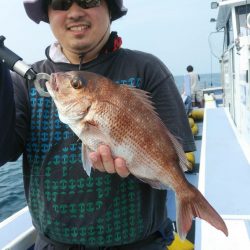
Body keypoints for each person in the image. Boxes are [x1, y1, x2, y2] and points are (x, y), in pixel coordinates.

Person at [0, 0, 196, 249]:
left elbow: (173, 153)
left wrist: (141, 162)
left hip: (141, 243)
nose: (75, 12)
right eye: (60, 3)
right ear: (48, 15)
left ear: (111, 9)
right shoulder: (25, 82)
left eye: (89, 1)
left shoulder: (148, 69)